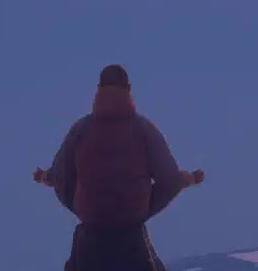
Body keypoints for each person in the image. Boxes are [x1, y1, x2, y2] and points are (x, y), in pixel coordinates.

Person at [33, 64, 204, 225]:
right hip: (132, 216)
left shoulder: (81, 128)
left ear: (98, 89)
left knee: (62, 181)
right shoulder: (144, 129)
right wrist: (188, 179)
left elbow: (60, 174)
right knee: (168, 185)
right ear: (128, 89)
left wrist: (45, 176)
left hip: (90, 215)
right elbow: (169, 179)